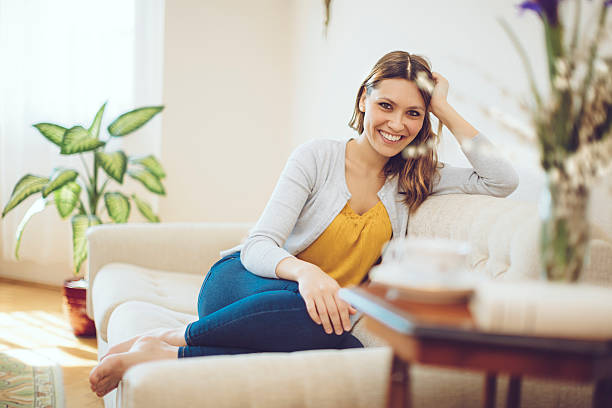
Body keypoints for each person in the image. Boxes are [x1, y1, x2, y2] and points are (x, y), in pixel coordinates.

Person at [89, 50, 518, 397]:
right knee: (316, 313)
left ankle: (158, 352)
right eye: (386, 106)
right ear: (363, 101)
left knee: (346, 345)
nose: (397, 124)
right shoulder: (318, 157)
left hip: (315, 314)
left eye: (414, 113)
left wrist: (443, 106)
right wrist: (307, 273)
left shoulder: (415, 177)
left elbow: (502, 179)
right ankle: (175, 336)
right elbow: (259, 244)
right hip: (245, 287)